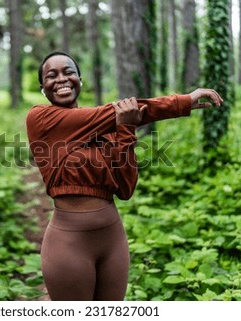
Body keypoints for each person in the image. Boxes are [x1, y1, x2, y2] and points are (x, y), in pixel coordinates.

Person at [25, 51, 223, 301]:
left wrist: (127, 129)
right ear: (43, 88)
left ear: (80, 80)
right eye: (51, 76)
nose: (61, 79)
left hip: (112, 241)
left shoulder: (109, 128)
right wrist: (182, 102)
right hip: (68, 244)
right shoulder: (41, 118)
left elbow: (126, 188)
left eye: (69, 72)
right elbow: (112, 112)